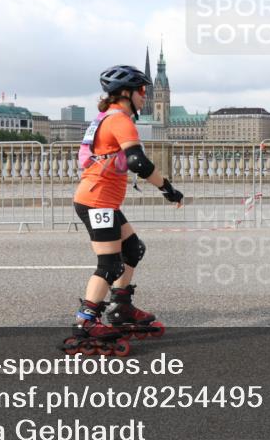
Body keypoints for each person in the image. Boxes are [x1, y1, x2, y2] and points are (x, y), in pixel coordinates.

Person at [64, 64, 185, 355]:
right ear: (126, 93)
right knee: (110, 264)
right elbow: (138, 162)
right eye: (142, 91)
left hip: (100, 199)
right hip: (97, 201)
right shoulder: (120, 120)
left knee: (133, 249)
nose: (146, 96)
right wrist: (167, 188)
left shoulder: (106, 117)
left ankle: (122, 308)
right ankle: (86, 322)